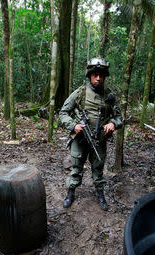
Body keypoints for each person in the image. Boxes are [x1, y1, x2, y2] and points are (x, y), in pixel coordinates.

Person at [59, 57, 123, 211]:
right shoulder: (80, 93)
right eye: (95, 75)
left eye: (101, 75)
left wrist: (113, 124)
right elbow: (63, 113)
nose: (98, 78)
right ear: (89, 75)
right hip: (80, 139)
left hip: (99, 140)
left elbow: (120, 117)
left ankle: (100, 194)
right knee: (76, 168)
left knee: (98, 169)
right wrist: (74, 125)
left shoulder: (109, 96)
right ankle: (70, 193)